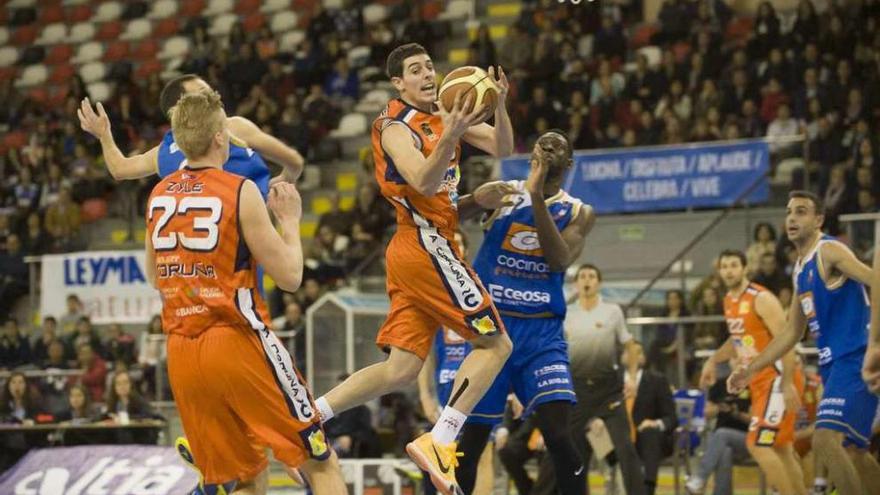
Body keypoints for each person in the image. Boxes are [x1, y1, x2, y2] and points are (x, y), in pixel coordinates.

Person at [311, 43, 515, 495]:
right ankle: (440, 438)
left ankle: (310, 415)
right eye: (415, 70)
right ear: (398, 83)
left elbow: (504, 145)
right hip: (425, 245)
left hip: (420, 245)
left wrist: (497, 105)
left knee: (400, 370)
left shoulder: (444, 112)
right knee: (497, 344)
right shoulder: (394, 126)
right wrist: (452, 131)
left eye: (429, 67)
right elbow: (422, 179)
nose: (427, 75)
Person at [144, 90, 346, 494]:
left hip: (182, 352)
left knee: (246, 477)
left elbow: (154, 276)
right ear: (221, 137)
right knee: (320, 461)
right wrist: (289, 221)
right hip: (235, 339)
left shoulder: (159, 193)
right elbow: (290, 276)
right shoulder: (239, 189)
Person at [456, 129, 595, 495]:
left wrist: (535, 195)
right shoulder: (504, 194)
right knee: (469, 446)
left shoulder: (579, 211)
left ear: (567, 165)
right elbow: (439, 219)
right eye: (541, 144)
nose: (547, 149)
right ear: (532, 154)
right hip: (493, 334)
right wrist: (473, 198)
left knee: (560, 436)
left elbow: (558, 260)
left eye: (556, 148)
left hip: (541, 336)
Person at [729, 191, 880, 494]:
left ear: (818, 219)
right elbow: (790, 333)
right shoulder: (801, 269)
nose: (792, 218)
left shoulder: (830, 251)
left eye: (801, 212)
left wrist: (874, 341)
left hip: (854, 358)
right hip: (833, 364)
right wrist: (750, 368)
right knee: (854, 452)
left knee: (824, 438)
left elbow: (876, 280)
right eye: (788, 212)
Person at [78, 73, 304, 195]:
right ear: (183, 105)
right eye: (205, 94)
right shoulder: (231, 127)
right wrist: (285, 179)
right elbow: (294, 160)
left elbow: (120, 169)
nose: (215, 97)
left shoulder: (163, 152)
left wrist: (104, 135)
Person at [701, 250, 806, 494]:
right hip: (759, 382)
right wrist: (713, 361)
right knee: (781, 448)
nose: (728, 270)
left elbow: (787, 339)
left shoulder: (761, 298)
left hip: (777, 379)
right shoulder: (729, 300)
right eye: (724, 266)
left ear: (745, 268)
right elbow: (737, 340)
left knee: (757, 444)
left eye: (733, 265)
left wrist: (788, 382)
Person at [417, 231, 496, 495]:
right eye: (450, 243)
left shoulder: (480, 285)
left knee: (483, 453)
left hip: (480, 383)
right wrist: (425, 397)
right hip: (444, 391)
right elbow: (424, 351)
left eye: (459, 243)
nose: (455, 247)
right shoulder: (429, 288)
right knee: (438, 459)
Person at [563, 264, 646, 494]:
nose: (587, 280)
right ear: (575, 283)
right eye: (582, 276)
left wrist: (631, 377)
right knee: (575, 450)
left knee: (625, 448)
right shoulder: (567, 313)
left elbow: (629, 344)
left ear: (599, 283)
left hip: (608, 389)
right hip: (578, 388)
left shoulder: (612, 311)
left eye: (591, 276)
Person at [623, 341, 676, 495]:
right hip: (617, 438)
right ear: (622, 357)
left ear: (643, 357)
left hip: (647, 441)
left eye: (638, 352)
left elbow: (672, 417)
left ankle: (647, 490)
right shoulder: (612, 381)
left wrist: (655, 423)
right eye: (629, 352)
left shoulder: (657, 381)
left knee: (650, 433)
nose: (633, 356)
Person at [686, 376, 753, 494]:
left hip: (748, 439)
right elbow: (706, 414)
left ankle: (700, 477)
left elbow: (755, 420)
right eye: (736, 358)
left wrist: (736, 413)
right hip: (719, 444)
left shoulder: (753, 384)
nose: (740, 361)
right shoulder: (721, 384)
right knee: (725, 451)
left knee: (722, 434)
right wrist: (718, 408)